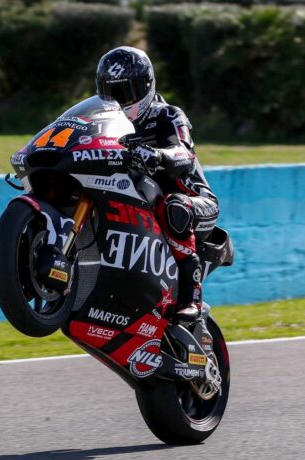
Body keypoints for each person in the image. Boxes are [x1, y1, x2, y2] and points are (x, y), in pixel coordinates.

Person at [95, 46, 219, 325]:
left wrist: (159, 155)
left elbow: (185, 154)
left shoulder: (168, 115)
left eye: (125, 92)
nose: (119, 101)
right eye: (111, 93)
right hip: (145, 200)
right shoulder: (106, 124)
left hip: (195, 201)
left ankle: (191, 296)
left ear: (146, 85)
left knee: (173, 205)